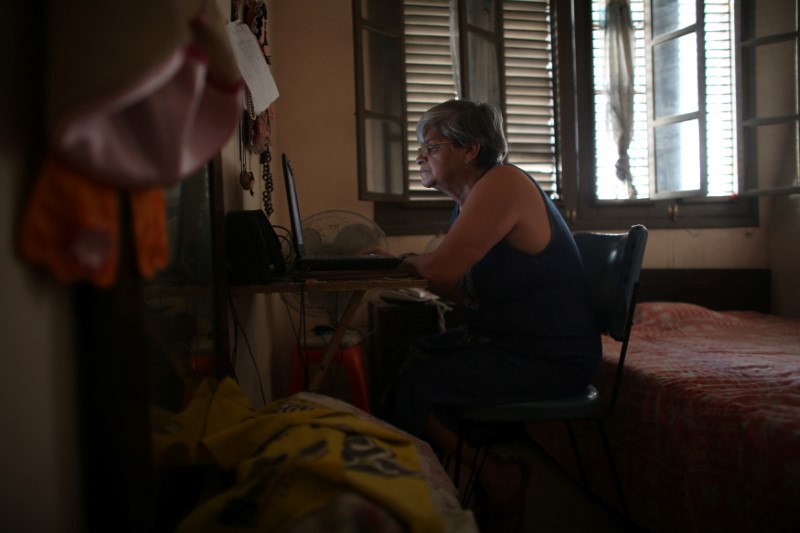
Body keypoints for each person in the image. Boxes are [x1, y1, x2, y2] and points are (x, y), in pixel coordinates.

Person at [382, 99, 601, 529]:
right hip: (513, 344)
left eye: (431, 145)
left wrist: (402, 261)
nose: (420, 156)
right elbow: (458, 288)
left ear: (470, 150)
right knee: (415, 355)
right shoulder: (469, 202)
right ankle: (471, 478)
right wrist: (406, 263)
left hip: (550, 356)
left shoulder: (502, 184)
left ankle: (474, 484)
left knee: (415, 382)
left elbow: (442, 269)